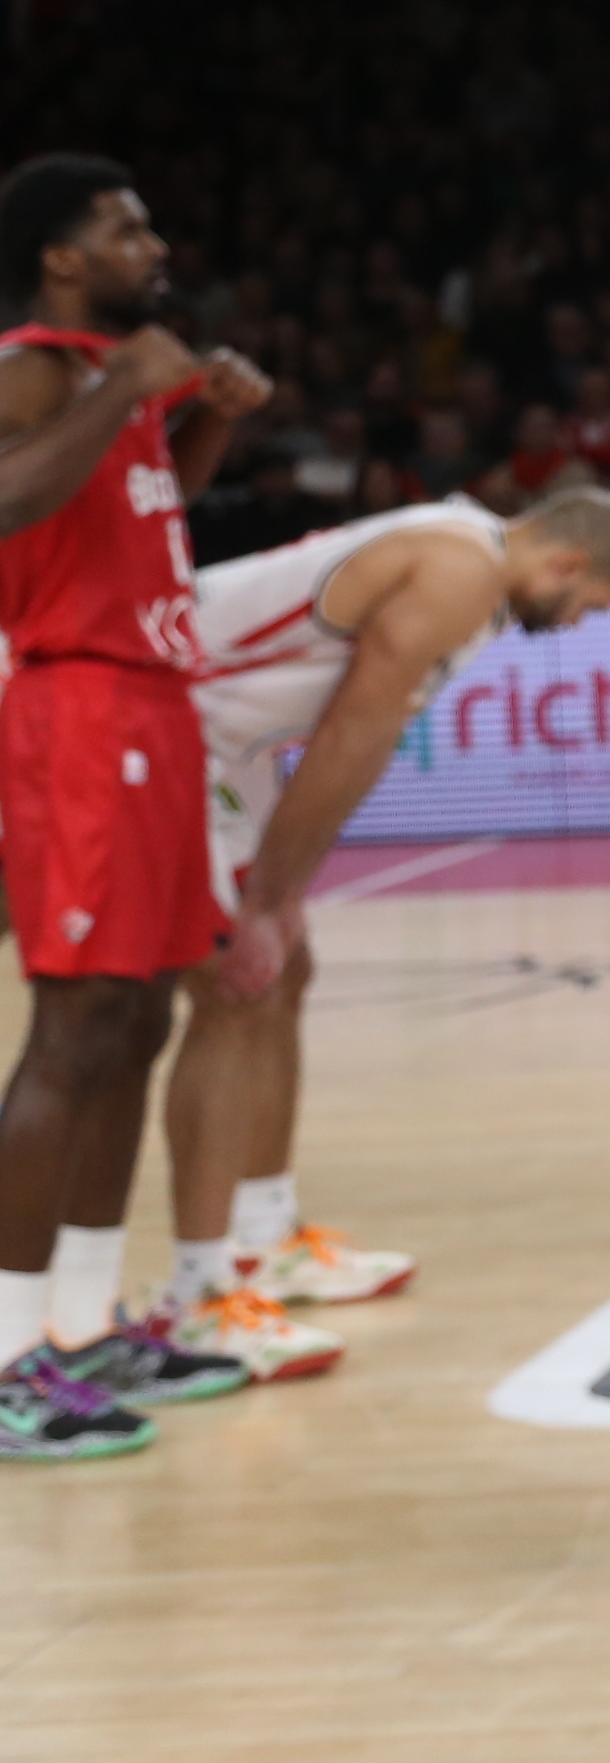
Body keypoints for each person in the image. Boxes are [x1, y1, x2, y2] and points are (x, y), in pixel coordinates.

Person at [148, 484, 610, 1383]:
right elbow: (352, 734)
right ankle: (197, 1294)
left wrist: (279, 897)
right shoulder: (461, 569)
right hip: (159, 719)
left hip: (216, 741)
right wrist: (270, 895)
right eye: (588, 605)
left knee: (283, 974)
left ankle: (266, 1241)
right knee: (236, 988)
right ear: (566, 565)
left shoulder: (467, 551)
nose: (577, 624)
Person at [0, 156, 272, 1459]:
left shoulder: (114, 382)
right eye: (124, 226)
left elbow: (123, 526)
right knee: (73, 1024)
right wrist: (124, 384)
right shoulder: (37, 363)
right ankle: (5, 1357)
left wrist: (204, 421)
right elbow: (7, 501)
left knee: (144, 1010)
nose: (150, 242)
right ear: (63, 258)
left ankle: (83, 1321)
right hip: (79, 710)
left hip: (157, 704)